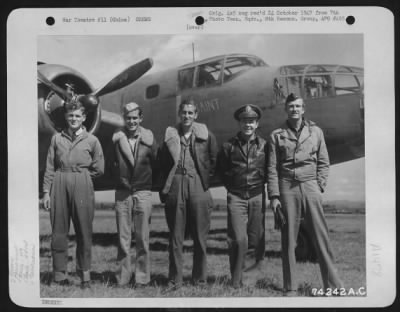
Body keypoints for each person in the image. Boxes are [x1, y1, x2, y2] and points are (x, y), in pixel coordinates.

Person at [267, 93, 343, 296]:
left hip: (310, 185)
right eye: (291, 106)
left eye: (298, 106)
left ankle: (333, 287)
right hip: (287, 186)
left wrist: (319, 186)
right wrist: (274, 196)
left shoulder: (316, 132)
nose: (294, 109)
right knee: (289, 240)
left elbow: (323, 162)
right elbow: (272, 168)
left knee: (321, 237)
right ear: (286, 109)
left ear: (304, 109)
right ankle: (290, 287)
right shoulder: (276, 135)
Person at [42, 97, 104, 289]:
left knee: (84, 231)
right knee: (58, 231)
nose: (74, 119)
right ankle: (59, 275)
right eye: (71, 115)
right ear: (66, 117)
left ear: (84, 118)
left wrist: (82, 177)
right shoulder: (56, 138)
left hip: (82, 182)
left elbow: (99, 168)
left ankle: (85, 276)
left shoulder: (92, 140)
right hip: (59, 181)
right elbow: (50, 167)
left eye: (78, 115)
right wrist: (46, 192)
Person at [158, 99, 218, 288]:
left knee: (200, 237)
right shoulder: (170, 136)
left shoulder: (207, 135)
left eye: (190, 113)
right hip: (176, 183)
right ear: (179, 114)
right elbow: (161, 162)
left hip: (198, 184)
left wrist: (203, 180)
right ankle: (175, 279)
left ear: (196, 115)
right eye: (184, 112)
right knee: (176, 237)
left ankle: (199, 279)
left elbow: (213, 159)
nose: (187, 116)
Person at [217, 104, 267, 288]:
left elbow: (269, 170)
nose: (248, 124)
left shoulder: (265, 146)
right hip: (236, 196)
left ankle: (250, 280)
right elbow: (221, 171)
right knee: (238, 239)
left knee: (255, 239)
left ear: (257, 123)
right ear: (239, 123)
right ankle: (236, 279)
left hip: (257, 195)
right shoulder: (228, 146)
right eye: (244, 121)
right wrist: (231, 188)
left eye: (251, 121)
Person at [110, 102, 158, 288]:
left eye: (135, 118)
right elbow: (110, 163)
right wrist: (119, 180)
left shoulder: (149, 140)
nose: (131, 121)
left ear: (141, 119)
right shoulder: (115, 140)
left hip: (143, 192)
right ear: (124, 119)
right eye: (128, 118)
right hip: (122, 192)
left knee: (142, 238)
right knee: (123, 239)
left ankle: (142, 278)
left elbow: (157, 163)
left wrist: (146, 182)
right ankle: (122, 278)